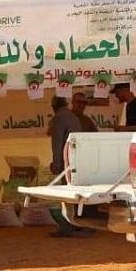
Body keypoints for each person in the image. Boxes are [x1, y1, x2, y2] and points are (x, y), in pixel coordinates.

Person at [46, 96, 91, 238]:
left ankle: (67, 228)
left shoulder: (59, 118)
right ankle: (81, 226)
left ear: (54, 107)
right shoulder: (71, 116)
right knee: (76, 194)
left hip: (69, 162)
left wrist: (56, 163)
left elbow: (58, 143)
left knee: (67, 195)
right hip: (79, 159)